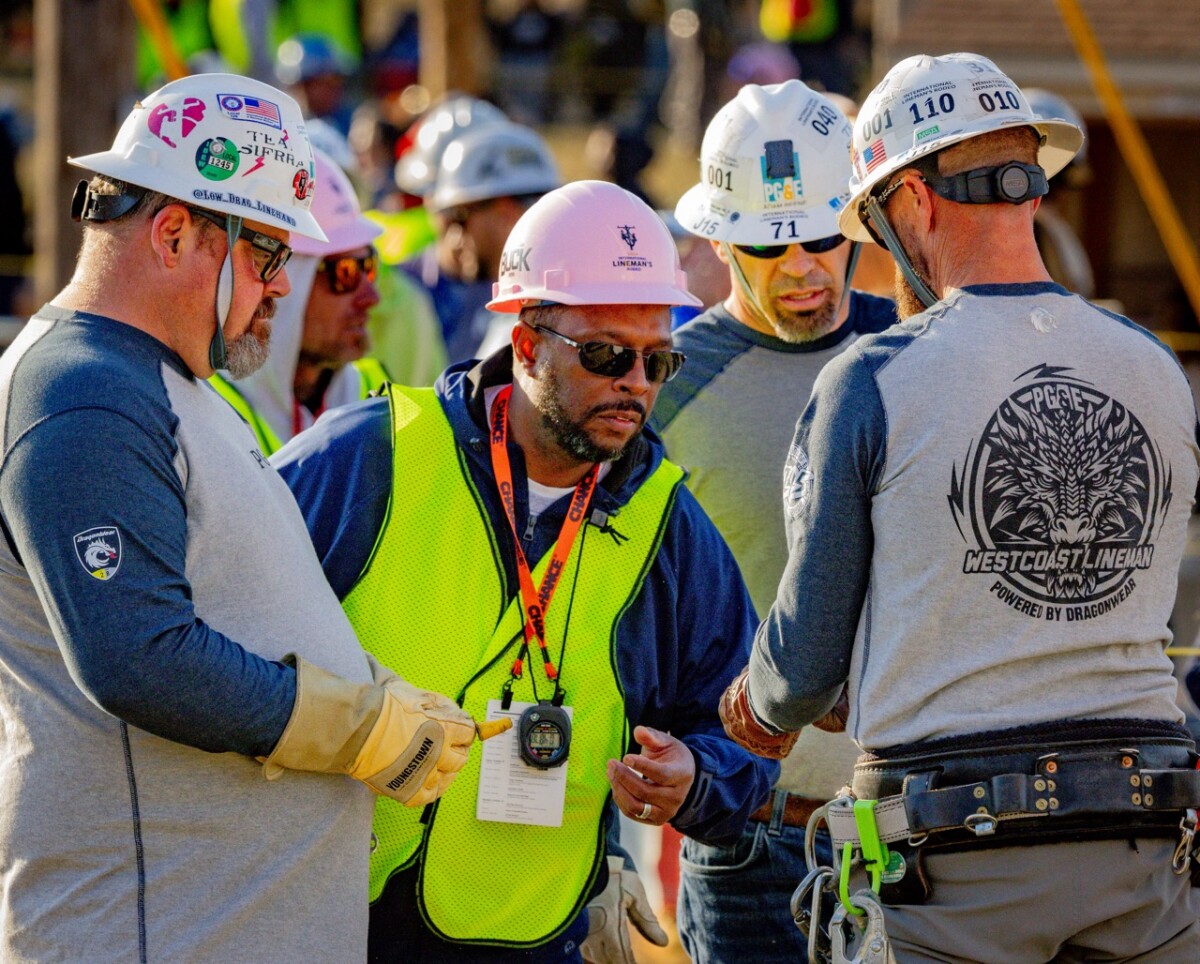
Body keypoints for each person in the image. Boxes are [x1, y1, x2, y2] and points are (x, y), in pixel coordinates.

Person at [721, 52, 1200, 960]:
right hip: (1145, 848)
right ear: (1028, 185)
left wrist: (758, 708)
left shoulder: (874, 379)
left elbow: (806, 658)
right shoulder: (1154, 367)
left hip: (951, 869)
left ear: (913, 204)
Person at [0, 73, 476, 960]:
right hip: (153, 932)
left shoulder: (157, 380)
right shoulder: (83, 394)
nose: (278, 288)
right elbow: (135, 654)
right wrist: (357, 725)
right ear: (176, 230)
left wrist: (375, 689)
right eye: (264, 255)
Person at [273, 179, 778, 963]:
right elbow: (218, 644)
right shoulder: (370, 456)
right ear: (527, 341)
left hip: (536, 939)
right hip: (330, 929)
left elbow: (746, 724)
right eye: (608, 355)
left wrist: (697, 776)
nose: (636, 384)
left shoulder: (667, 524)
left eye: (657, 360)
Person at [651, 79, 896, 963]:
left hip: (920, 835)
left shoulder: (915, 349)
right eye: (766, 244)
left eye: (825, 238)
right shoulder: (662, 387)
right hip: (750, 836)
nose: (802, 268)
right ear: (719, 239)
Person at [210, 147, 387, 454]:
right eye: (345, 272)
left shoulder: (374, 391)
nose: (371, 298)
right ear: (286, 273)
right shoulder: (208, 406)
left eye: (368, 267)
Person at [404, 120, 562, 364]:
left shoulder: (533, 327)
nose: (453, 238)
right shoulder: (561, 305)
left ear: (506, 214)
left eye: (459, 217)